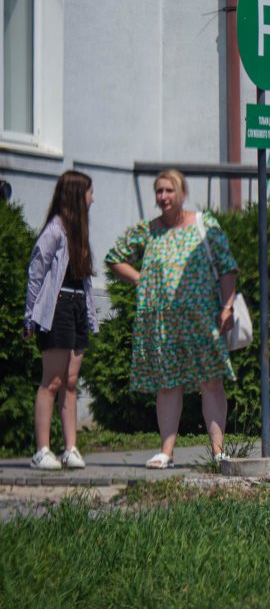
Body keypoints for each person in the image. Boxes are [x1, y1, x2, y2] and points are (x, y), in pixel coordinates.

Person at [105, 169, 238, 469]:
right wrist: (143, 280)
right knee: (166, 385)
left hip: (201, 319)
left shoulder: (204, 225)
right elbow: (114, 257)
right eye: (159, 191)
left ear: (182, 193)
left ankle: (218, 452)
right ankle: (166, 451)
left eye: (169, 190)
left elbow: (227, 266)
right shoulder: (148, 230)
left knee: (211, 382)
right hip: (161, 321)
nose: (163, 197)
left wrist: (227, 307)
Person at [23, 170, 99, 470]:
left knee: (70, 381)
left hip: (77, 305)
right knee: (52, 381)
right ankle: (42, 450)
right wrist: (30, 317)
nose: (93, 198)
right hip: (56, 310)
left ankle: (70, 448)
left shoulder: (79, 230)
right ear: (77, 195)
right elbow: (36, 272)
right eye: (90, 192)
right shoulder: (55, 229)